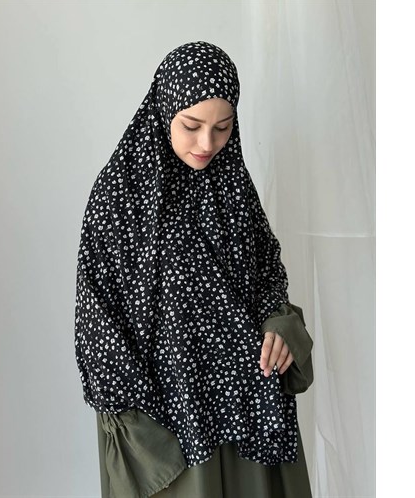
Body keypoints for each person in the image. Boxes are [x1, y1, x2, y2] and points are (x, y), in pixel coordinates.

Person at [74, 41, 314, 498]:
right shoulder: (120, 195)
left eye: (223, 128)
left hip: (249, 406)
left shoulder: (233, 186)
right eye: (191, 125)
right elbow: (97, 318)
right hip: (172, 414)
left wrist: (278, 324)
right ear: (164, 110)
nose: (207, 144)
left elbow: (267, 272)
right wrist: (135, 415)